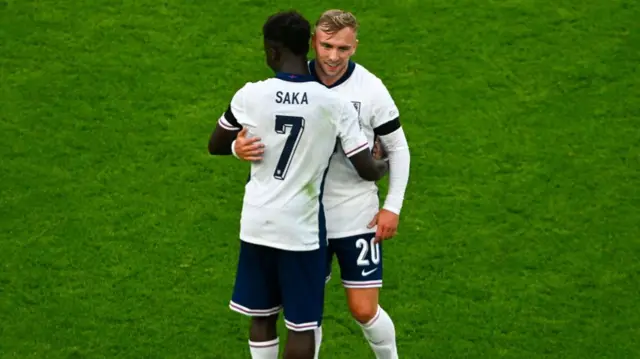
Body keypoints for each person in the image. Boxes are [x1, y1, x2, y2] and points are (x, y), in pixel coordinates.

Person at [207, 10, 389, 359]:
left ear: (273, 52)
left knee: (262, 317)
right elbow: (365, 168)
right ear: (307, 47)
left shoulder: (250, 95)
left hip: (257, 225)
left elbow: (215, 144)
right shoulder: (333, 103)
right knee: (302, 326)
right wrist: (384, 163)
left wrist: (235, 147)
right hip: (301, 232)